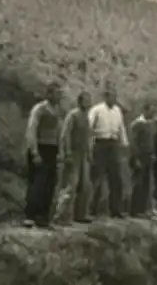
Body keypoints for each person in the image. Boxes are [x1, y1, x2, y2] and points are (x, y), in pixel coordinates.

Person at [23, 82, 64, 228]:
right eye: (57, 93)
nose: (60, 96)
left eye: (61, 93)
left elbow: (59, 132)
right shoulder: (40, 109)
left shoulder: (58, 110)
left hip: (52, 149)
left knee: (50, 184)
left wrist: (60, 151)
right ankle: (30, 216)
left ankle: (44, 217)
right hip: (40, 147)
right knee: (37, 184)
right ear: (49, 94)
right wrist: (34, 152)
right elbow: (32, 130)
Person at [88, 89, 129, 218]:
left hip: (113, 143)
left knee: (116, 178)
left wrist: (124, 144)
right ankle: (92, 209)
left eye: (115, 97)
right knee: (97, 176)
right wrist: (90, 144)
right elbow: (89, 127)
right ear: (105, 97)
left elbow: (121, 128)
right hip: (100, 142)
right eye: (111, 96)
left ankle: (115, 209)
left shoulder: (117, 110)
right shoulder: (97, 110)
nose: (113, 99)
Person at [55, 91, 93, 224]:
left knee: (84, 185)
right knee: (70, 185)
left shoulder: (86, 117)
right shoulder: (73, 115)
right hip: (74, 153)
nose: (88, 102)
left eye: (89, 100)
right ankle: (61, 216)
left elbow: (88, 137)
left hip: (83, 153)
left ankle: (80, 215)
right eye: (86, 100)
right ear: (80, 101)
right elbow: (65, 135)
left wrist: (89, 153)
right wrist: (67, 152)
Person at [128, 103, 157, 217]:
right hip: (139, 156)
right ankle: (134, 210)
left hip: (148, 157)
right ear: (145, 110)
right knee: (138, 183)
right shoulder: (137, 124)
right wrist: (135, 158)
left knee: (146, 183)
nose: (153, 114)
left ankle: (144, 209)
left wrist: (153, 154)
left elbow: (151, 141)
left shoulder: (149, 124)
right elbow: (134, 143)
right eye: (151, 111)